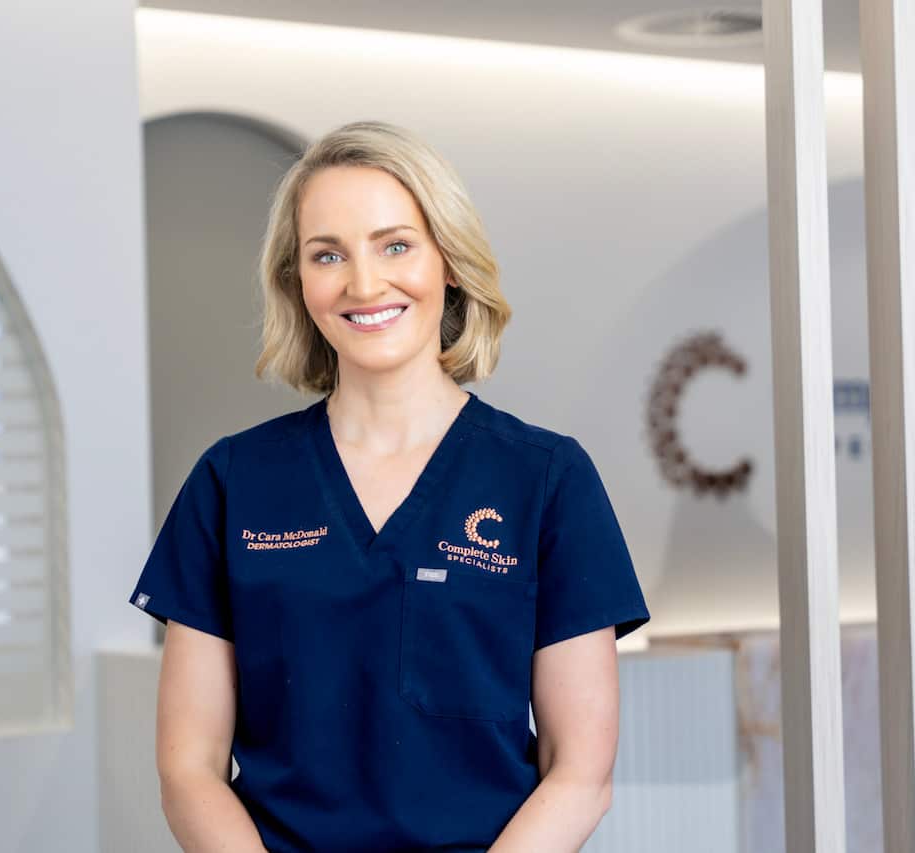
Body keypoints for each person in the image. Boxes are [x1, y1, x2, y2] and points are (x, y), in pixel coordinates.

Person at [128, 119, 650, 852]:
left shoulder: (546, 480)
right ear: (297, 282)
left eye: (395, 244)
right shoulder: (232, 481)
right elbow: (189, 767)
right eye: (327, 254)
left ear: (450, 262)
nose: (363, 283)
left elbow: (580, 772)